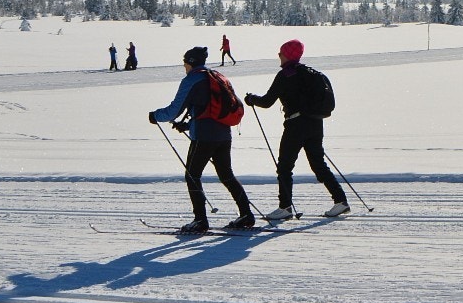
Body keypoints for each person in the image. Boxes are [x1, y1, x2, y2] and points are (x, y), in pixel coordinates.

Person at [149, 46, 256, 234]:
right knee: (226, 175)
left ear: (190, 63)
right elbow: (212, 110)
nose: (184, 67)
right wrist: (188, 126)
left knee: (192, 175)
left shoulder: (192, 80)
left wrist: (155, 116)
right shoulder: (216, 77)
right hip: (224, 134)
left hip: (204, 137)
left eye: (185, 63)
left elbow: (175, 109)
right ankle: (246, 214)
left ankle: (200, 220)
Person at [245, 40, 349, 220]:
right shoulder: (312, 73)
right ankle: (340, 201)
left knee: (285, 167)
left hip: (295, 124)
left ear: (288, 55)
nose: (279, 55)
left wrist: (251, 99)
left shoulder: (285, 74)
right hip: (315, 123)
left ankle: (285, 207)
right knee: (318, 163)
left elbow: (267, 102)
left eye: (281, 53)